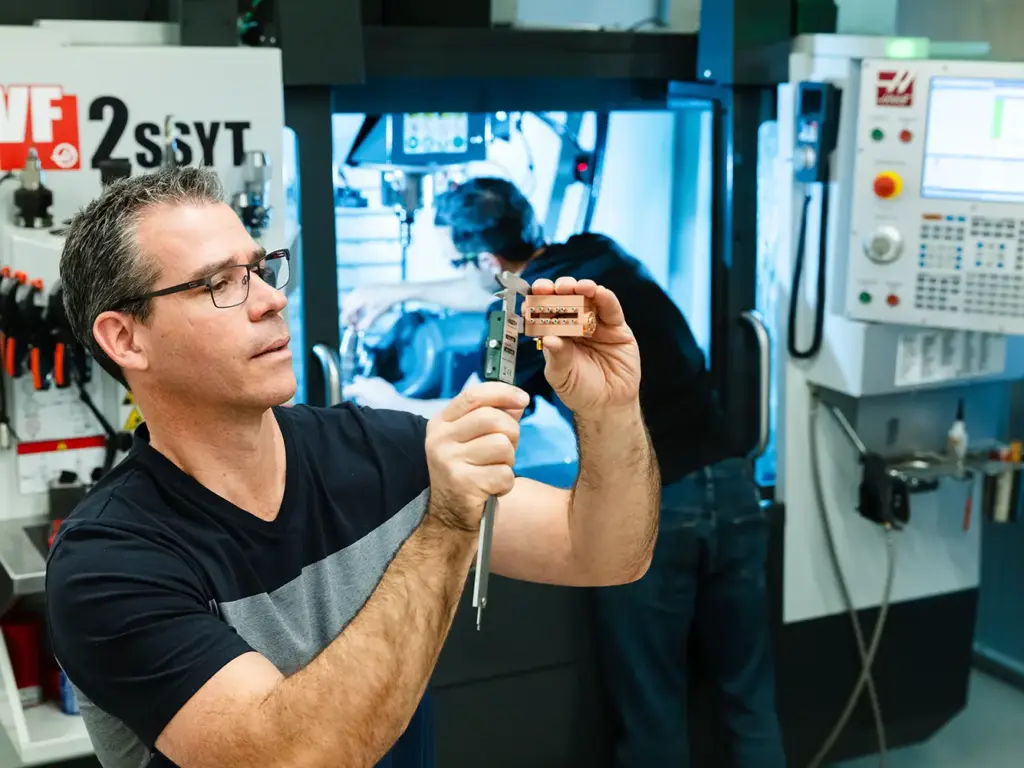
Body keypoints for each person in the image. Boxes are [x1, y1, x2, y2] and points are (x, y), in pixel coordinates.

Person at [45, 167, 660, 768]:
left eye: (260, 271)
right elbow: (291, 758)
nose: (271, 300)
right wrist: (446, 528)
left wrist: (609, 411)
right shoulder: (107, 563)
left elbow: (604, 552)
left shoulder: (380, 451)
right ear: (125, 339)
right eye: (219, 284)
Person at [343, 177, 788, 767]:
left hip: (659, 509)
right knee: (749, 697)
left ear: (485, 260)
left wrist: (380, 399)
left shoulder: (524, 311)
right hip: (733, 487)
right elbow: (502, 294)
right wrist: (393, 291)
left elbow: (476, 411)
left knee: (652, 709)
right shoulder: (597, 256)